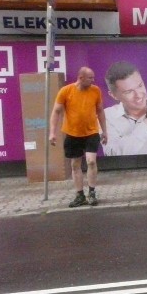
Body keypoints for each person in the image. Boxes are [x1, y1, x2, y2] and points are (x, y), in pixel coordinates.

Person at [48, 67, 108, 207]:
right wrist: (52, 132)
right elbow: (56, 112)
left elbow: (100, 111)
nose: (93, 80)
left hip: (91, 132)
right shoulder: (66, 91)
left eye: (93, 78)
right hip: (72, 133)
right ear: (80, 78)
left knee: (91, 161)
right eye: (90, 78)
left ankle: (91, 193)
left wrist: (104, 131)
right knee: (75, 164)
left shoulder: (96, 91)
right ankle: (80, 195)